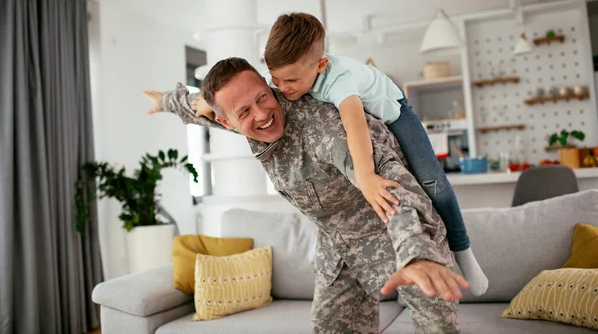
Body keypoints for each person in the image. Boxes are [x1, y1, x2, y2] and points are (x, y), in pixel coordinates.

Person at [144, 57, 468, 333]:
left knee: (437, 327)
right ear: (227, 123)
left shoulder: (323, 124)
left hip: (398, 231)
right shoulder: (233, 116)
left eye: (262, 97)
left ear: (269, 85)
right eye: (243, 112)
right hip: (338, 246)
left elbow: (393, 182)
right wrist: (166, 101)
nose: (260, 113)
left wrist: (417, 253)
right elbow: (199, 107)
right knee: (329, 326)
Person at [261, 13, 487, 296]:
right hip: (367, 118)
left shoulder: (339, 80)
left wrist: (366, 176)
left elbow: (355, 127)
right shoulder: (291, 76)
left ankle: (463, 250)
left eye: (290, 80)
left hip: (395, 112)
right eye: (275, 79)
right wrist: (208, 103)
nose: (282, 88)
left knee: (432, 182)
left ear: (321, 65)